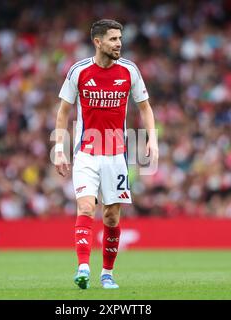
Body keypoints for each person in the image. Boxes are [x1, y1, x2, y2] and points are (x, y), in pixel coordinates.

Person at [54, 19, 158, 289]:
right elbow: (63, 112)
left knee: (111, 216)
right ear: (97, 42)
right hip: (86, 153)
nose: (119, 43)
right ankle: (83, 267)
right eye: (113, 39)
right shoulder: (78, 71)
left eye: (120, 38)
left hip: (117, 155)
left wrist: (152, 139)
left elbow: (145, 108)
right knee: (86, 207)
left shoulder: (129, 71)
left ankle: (107, 273)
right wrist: (59, 149)